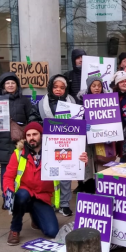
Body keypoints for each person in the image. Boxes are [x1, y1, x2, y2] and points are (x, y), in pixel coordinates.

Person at [4, 122, 89, 245]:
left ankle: (35, 216)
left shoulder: (54, 150)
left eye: (35, 134)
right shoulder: (18, 153)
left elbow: (71, 166)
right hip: (24, 192)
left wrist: (82, 162)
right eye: (28, 135)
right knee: (21, 196)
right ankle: (14, 229)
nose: (31, 137)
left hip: (42, 196)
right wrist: (9, 191)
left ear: (42, 135)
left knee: (52, 232)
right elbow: (8, 176)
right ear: (25, 137)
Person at [31, 74, 77, 216]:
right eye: (55, 87)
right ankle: (50, 202)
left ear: (66, 89)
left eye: (62, 88)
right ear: (50, 87)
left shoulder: (73, 103)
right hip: (48, 144)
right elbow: (33, 119)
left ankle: (64, 204)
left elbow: (78, 121)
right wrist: (41, 125)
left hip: (67, 143)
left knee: (65, 173)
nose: (58, 90)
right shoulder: (41, 103)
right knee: (49, 173)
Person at [0, 72, 35, 210]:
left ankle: (20, 196)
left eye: (13, 83)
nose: (10, 85)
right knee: (6, 171)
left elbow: (32, 116)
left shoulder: (24, 100)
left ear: (17, 85)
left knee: (22, 170)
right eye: (7, 83)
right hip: (3, 140)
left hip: (21, 141)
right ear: (3, 85)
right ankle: (6, 197)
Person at [75, 75, 111, 195]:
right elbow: (77, 119)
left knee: (101, 163)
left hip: (102, 138)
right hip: (86, 138)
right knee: (88, 163)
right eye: (94, 86)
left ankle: (102, 190)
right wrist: (83, 125)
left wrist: (112, 133)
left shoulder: (108, 100)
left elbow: (112, 119)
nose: (97, 88)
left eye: (99, 86)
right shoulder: (81, 100)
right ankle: (89, 189)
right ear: (89, 87)